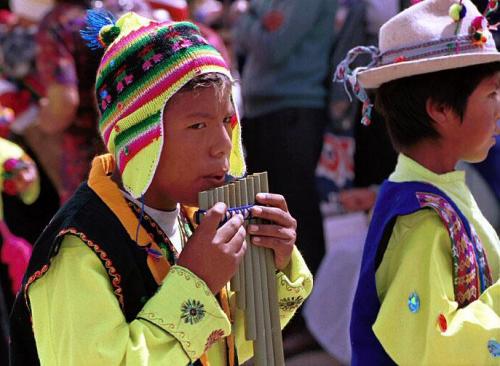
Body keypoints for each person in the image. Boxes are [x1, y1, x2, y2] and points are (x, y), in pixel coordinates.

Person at [9, 10, 313, 365]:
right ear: (140, 139)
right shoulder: (78, 254)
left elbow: (229, 345)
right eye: (198, 125)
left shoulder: (192, 218)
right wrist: (195, 284)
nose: (223, 145)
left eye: (227, 121)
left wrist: (276, 266)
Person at [334, 0, 500, 364]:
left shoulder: (437, 190)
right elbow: (432, 346)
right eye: (491, 94)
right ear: (440, 108)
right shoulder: (422, 219)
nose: (499, 108)